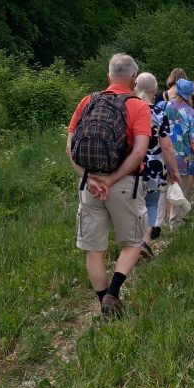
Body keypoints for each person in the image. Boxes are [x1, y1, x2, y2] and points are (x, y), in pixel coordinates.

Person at [66, 53, 151, 318]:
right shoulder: (138, 106)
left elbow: (69, 147)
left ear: (108, 76)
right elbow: (139, 152)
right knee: (134, 242)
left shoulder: (87, 101)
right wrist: (111, 179)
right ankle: (113, 294)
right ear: (133, 79)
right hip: (123, 184)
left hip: (89, 185)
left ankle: (103, 302)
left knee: (94, 249)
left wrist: (89, 178)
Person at [134, 72, 180, 258]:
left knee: (134, 204)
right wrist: (174, 171)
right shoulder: (160, 113)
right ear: (154, 90)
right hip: (155, 166)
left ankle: (132, 242)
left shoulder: (129, 109)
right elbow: (167, 147)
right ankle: (145, 240)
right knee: (152, 203)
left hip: (132, 165)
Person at [165, 78, 194, 207]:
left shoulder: (165, 106)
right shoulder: (191, 113)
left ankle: (163, 217)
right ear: (190, 95)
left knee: (164, 193)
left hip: (165, 154)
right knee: (178, 194)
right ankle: (175, 218)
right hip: (183, 158)